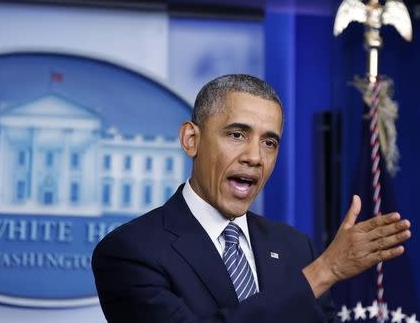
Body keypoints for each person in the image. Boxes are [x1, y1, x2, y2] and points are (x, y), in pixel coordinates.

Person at [92, 74, 411, 323]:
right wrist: (323, 272)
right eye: (237, 135)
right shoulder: (130, 251)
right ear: (191, 140)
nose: (255, 157)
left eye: (269, 142)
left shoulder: (294, 246)